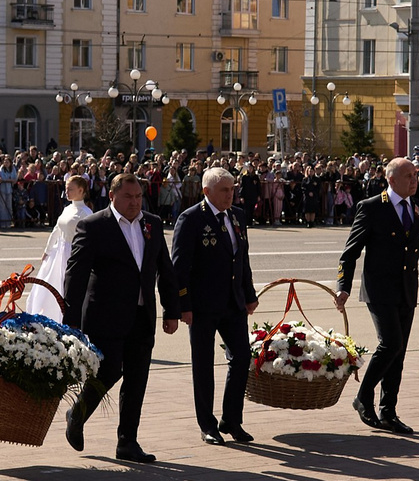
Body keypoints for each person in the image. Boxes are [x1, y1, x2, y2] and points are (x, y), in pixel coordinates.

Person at [64, 171, 181, 464]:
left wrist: (172, 310)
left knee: (137, 378)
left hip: (142, 316)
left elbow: (165, 270)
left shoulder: (152, 224)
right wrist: (70, 319)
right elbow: (76, 274)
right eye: (128, 196)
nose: (135, 202)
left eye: (138, 196)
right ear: (112, 196)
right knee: (108, 371)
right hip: (105, 315)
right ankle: (77, 413)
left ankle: (128, 442)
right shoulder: (94, 226)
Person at [337, 156, 419, 435]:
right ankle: (364, 396)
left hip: (406, 290)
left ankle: (388, 412)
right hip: (379, 290)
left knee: (399, 354)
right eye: (408, 176)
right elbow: (350, 252)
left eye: (416, 175)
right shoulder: (372, 207)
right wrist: (343, 286)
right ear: (391, 180)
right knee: (391, 343)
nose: (414, 180)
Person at [171, 165, 259, 445]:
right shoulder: (191, 219)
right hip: (202, 306)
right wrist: (183, 305)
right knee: (203, 366)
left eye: (232, 189)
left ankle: (231, 419)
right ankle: (207, 424)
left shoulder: (237, 216)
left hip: (233, 303)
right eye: (224, 190)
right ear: (206, 191)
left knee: (242, 358)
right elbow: (179, 268)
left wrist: (249, 294)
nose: (230, 195)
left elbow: (242, 259)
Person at [31, 172, 94, 308]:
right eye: (66, 188)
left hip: (74, 253)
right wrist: (47, 251)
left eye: (70, 189)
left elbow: (92, 238)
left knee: (68, 287)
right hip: (59, 252)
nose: (67, 192)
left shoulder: (86, 213)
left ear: (81, 190)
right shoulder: (67, 208)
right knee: (52, 286)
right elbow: (57, 229)